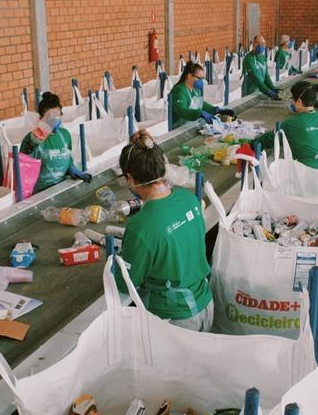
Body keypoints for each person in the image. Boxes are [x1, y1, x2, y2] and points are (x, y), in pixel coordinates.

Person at [115, 130, 213, 332]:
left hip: (177, 318)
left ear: (130, 178)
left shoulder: (141, 226)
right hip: (206, 303)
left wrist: (113, 266)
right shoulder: (190, 199)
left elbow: (127, 283)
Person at [256, 81, 318, 170]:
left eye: (293, 100)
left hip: (301, 174)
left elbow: (270, 138)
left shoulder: (290, 123)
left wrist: (252, 144)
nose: (293, 103)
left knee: (271, 162)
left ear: (299, 102)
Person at [20, 92, 91, 192]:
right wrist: (34, 141)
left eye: (58, 116)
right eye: (50, 118)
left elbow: (68, 156)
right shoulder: (32, 139)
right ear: (41, 119)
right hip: (40, 194)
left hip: (62, 189)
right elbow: (23, 165)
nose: (54, 121)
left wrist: (71, 167)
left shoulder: (65, 134)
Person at [169, 61, 234, 127]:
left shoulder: (196, 90)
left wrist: (215, 110)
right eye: (200, 78)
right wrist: (200, 113)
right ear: (190, 76)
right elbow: (181, 111)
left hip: (188, 125)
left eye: (203, 78)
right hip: (176, 128)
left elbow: (200, 104)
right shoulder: (179, 90)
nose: (202, 81)